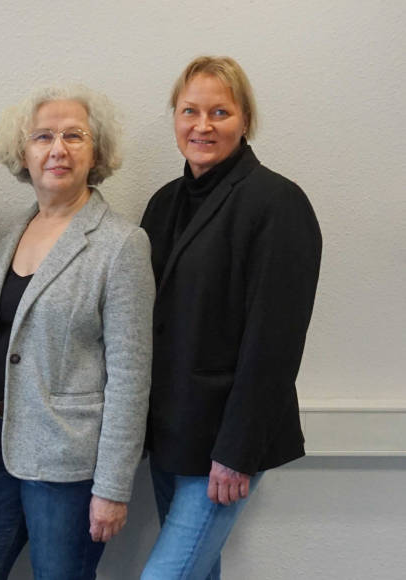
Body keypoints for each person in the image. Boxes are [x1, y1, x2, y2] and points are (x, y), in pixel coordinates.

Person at [0, 85, 154, 580]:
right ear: (23, 153)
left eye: (73, 135)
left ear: (95, 151)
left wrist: (113, 487)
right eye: (42, 137)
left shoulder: (122, 245)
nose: (57, 148)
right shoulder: (9, 235)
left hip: (68, 465)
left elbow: (130, 375)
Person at [139, 56, 322, 579]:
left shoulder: (277, 202)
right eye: (189, 111)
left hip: (224, 442)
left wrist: (237, 452)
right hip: (171, 433)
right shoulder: (163, 204)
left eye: (219, 111)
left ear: (245, 121)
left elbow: (274, 341)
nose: (202, 125)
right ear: (174, 118)